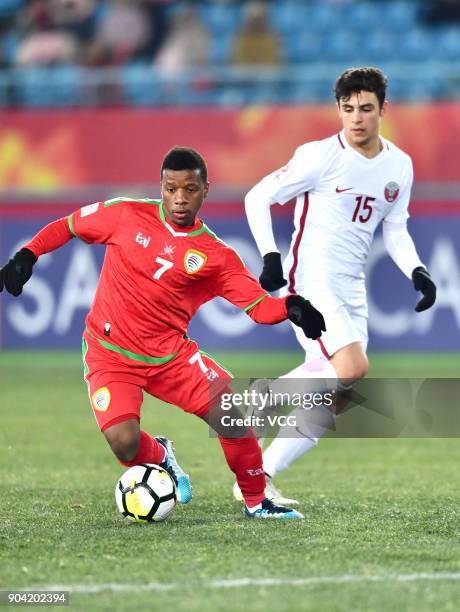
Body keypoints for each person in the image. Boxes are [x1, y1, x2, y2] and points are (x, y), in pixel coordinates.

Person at [0, 147, 326, 520]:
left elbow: (258, 308)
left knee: (232, 415)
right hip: (110, 354)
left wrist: (292, 307)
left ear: (206, 189)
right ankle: (161, 455)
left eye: (189, 189)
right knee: (124, 445)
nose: (180, 198)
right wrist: (27, 255)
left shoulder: (216, 256)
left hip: (171, 358)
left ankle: (257, 501)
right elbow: (68, 225)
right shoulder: (125, 215)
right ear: (161, 187)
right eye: (171, 189)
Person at [235, 67, 437, 505]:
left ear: (384, 109)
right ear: (339, 111)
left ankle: (259, 473)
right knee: (351, 368)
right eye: (348, 109)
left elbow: (396, 230)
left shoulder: (399, 166)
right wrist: (270, 256)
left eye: (366, 109)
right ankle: (267, 397)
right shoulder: (319, 156)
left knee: (338, 394)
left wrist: (417, 271)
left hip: (351, 286)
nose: (357, 118)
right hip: (311, 278)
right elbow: (258, 197)